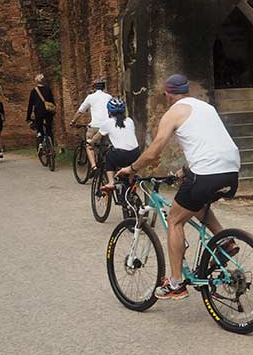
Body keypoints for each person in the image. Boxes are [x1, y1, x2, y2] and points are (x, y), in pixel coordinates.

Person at [117, 74, 240, 300]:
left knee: (174, 219)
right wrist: (183, 172)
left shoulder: (173, 112)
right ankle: (226, 242)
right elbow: (207, 145)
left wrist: (131, 169)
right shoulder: (206, 108)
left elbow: (154, 151)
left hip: (206, 172)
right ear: (187, 90)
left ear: (167, 93)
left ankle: (175, 283)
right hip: (231, 170)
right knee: (198, 204)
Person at [93, 98, 140, 191]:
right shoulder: (130, 121)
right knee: (128, 162)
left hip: (120, 155)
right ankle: (131, 180)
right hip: (136, 153)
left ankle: (111, 182)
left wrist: (90, 142)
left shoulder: (108, 123)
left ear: (109, 111)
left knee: (109, 156)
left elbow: (96, 138)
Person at [70, 78, 112, 171]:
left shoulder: (90, 97)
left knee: (89, 145)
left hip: (95, 126)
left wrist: (73, 121)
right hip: (107, 126)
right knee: (106, 147)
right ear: (104, 87)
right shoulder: (109, 97)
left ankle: (93, 166)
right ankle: (106, 165)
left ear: (94, 88)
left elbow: (80, 111)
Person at [26, 74, 56, 157]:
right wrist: (53, 111)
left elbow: (30, 105)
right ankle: (51, 149)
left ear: (36, 81)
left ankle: (40, 145)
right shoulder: (48, 89)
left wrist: (28, 117)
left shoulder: (34, 90)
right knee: (49, 129)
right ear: (43, 81)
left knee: (39, 129)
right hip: (48, 112)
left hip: (39, 112)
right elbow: (52, 101)